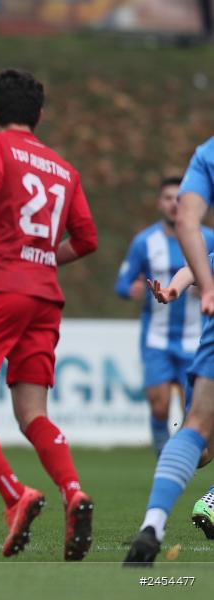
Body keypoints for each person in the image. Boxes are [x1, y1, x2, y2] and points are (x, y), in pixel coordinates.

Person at [0, 69, 98, 560]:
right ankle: (74, 491)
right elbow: (87, 239)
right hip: (45, 296)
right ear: (40, 116)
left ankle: (15, 495)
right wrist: (46, 259)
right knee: (32, 414)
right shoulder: (64, 168)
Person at [125, 137, 214, 565]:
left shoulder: (207, 153)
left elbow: (193, 243)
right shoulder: (145, 239)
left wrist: (180, 287)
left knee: (196, 433)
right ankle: (211, 500)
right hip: (163, 340)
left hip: (206, 332)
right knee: (183, 427)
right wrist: (177, 288)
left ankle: (154, 523)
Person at [115, 177, 214, 456]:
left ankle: (183, 458)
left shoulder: (208, 239)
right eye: (168, 198)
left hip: (195, 339)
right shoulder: (144, 242)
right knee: (158, 405)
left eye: (179, 198)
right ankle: (164, 456)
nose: (174, 204)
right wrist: (130, 289)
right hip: (156, 338)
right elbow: (122, 282)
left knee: (191, 414)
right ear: (160, 204)